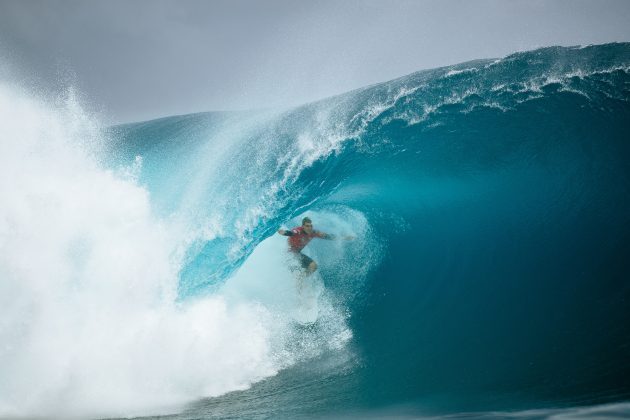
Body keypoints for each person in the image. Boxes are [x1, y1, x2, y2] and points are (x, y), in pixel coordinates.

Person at [277, 217, 354, 276]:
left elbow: (328, 236)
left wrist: (344, 238)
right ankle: (299, 281)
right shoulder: (298, 231)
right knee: (308, 268)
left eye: (311, 226)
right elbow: (291, 233)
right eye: (307, 226)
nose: (310, 228)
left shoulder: (313, 233)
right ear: (303, 226)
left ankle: (300, 281)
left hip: (297, 254)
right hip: (289, 255)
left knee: (312, 267)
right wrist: (283, 232)